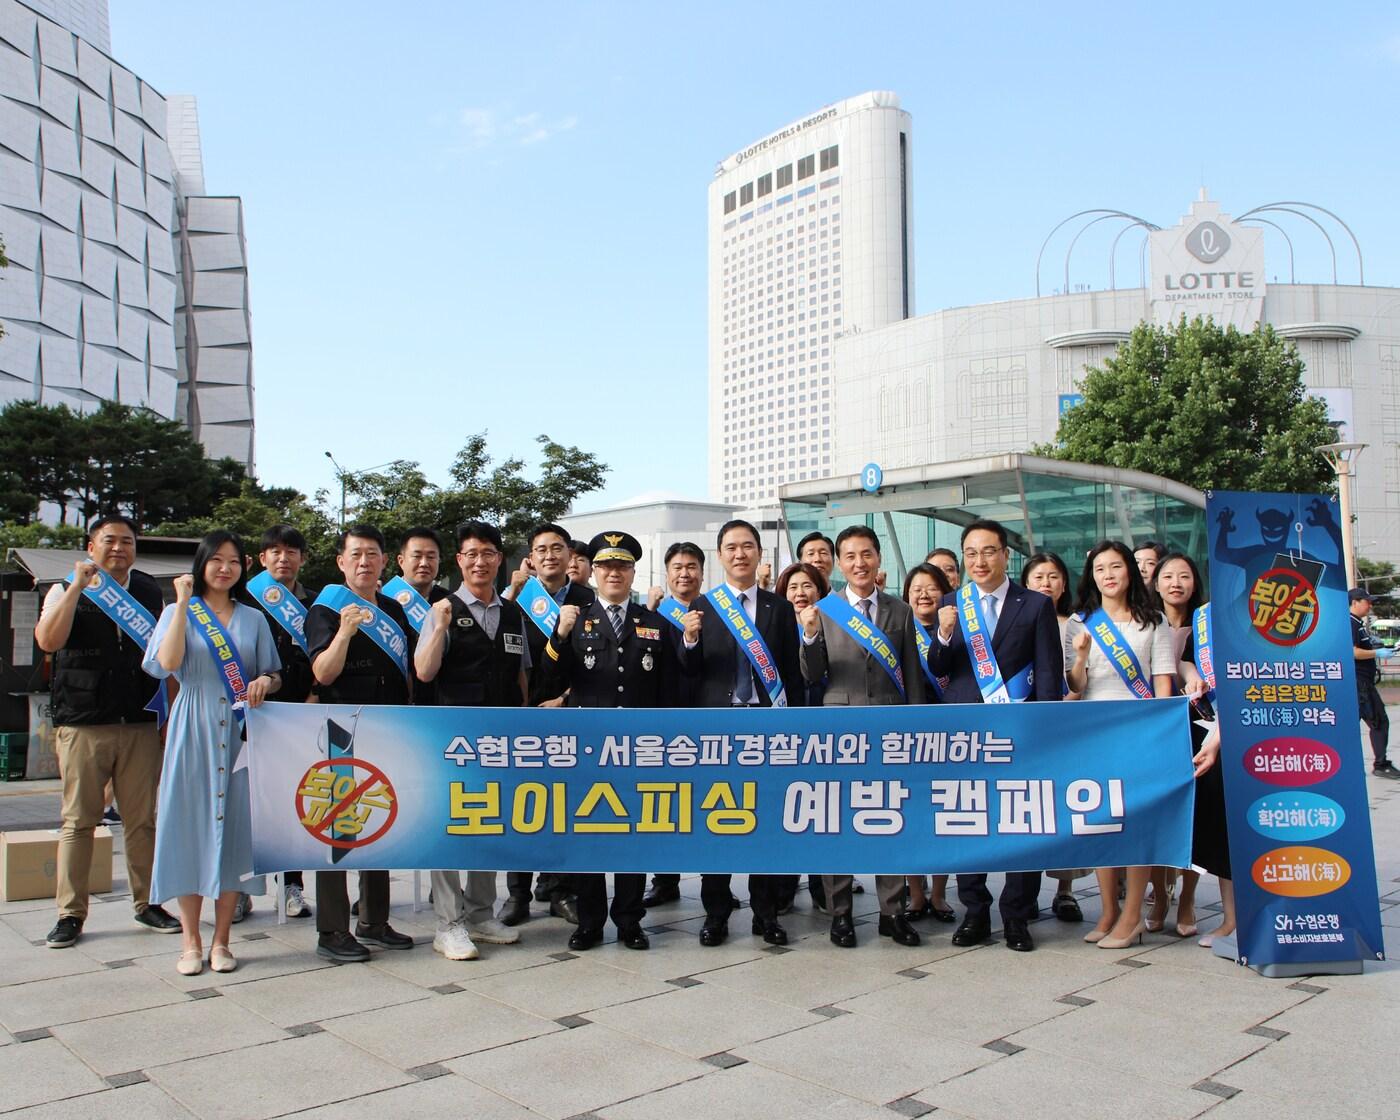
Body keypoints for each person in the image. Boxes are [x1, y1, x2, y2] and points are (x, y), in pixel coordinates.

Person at [544, 531, 696, 951]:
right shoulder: (576, 620)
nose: (614, 573)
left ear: (633, 572)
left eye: (622, 566)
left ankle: (630, 920)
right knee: (589, 834)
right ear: (593, 571)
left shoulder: (655, 623)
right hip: (589, 749)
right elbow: (549, 680)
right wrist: (559, 636)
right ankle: (590, 922)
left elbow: (670, 689)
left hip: (639, 749)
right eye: (606, 566)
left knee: (634, 835)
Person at [36, 515, 182, 948]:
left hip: (140, 720)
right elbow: (48, 641)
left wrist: (170, 714)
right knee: (79, 821)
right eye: (109, 541)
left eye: (127, 541)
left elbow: (165, 656)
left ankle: (147, 902)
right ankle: (70, 913)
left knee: (142, 821)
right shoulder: (65, 587)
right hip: (84, 721)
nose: (119, 548)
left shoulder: (148, 591)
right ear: (91, 546)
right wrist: (77, 588)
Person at [145, 532, 281, 975]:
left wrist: (265, 682)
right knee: (188, 827)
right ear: (202, 564)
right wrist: (182, 603)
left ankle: (222, 940)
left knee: (236, 831)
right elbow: (167, 664)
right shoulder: (176, 612)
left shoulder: (253, 618)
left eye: (234, 561)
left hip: (240, 731)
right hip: (192, 725)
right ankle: (191, 941)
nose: (225, 568)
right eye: (217, 560)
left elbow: (273, 671)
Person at [929, 518, 1064, 952]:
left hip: (1020, 730)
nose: (979, 561)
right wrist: (943, 633)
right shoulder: (953, 602)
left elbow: (1048, 671)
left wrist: (1046, 729)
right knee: (968, 820)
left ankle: (1017, 915)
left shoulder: (1035, 604)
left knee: (1022, 819)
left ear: (1006, 554)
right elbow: (939, 667)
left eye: (988, 551)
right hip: (965, 731)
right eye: (971, 553)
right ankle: (975, 911)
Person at [799, 526, 929, 948]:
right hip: (839, 727)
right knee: (838, 820)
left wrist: (915, 726)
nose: (860, 563)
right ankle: (840, 913)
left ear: (878, 558)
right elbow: (812, 674)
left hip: (891, 726)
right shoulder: (826, 610)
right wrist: (810, 634)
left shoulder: (900, 610)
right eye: (851, 556)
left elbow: (912, 673)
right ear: (839, 563)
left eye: (867, 554)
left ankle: (892, 912)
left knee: (890, 816)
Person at [682, 518, 804, 946]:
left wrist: (794, 726)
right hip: (719, 727)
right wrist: (690, 641)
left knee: (765, 822)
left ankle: (766, 914)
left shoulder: (778, 608)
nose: (740, 554)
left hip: (767, 725)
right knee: (717, 821)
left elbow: (791, 672)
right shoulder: (703, 605)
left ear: (759, 553)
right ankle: (716, 913)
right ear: (719, 555)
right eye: (731, 547)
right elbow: (689, 674)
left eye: (747, 546)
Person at [415, 521, 528, 960]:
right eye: (471, 554)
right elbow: (424, 671)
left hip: (502, 738)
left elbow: (521, 676)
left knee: (491, 822)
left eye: (488, 554)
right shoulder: (441, 609)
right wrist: (439, 628)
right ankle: (448, 923)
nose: (480, 562)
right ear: (460, 561)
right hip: (454, 739)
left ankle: (481, 912)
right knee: (449, 825)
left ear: (499, 560)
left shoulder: (513, 613)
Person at [306, 523, 417, 963]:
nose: (364, 562)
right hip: (341, 732)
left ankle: (373, 919)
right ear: (341, 562)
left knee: (379, 819)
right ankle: (332, 929)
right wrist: (345, 632)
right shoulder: (326, 609)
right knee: (338, 826)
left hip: (387, 729)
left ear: (385, 561)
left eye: (372, 554)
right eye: (355, 554)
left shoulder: (392, 609)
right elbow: (322, 673)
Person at [1065, 540, 1176, 949]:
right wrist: (1080, 657)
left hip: (1140, 732)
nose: (1108, 575)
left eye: (1115, 566)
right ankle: (1108, 910)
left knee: (1135, 821)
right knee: (1100, 821)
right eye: (1100, 569)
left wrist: (1161, 733)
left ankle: (1132, 917)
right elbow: (1074, 685)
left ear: (1130, 570)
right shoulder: (1081, 622)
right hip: (1094, 732)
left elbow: (1162, 679)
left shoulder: (1153, 620)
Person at [499, 522, 594, 926]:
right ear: (531, 558)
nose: (550, 556)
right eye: (542, 550)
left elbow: (596, 660)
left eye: (558, 548)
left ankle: (560, 890)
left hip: (569, 711)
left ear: (570, 556)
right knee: (520, 805)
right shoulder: (517, 599)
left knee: (565, 804)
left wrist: (566, 698)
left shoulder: (589, 599)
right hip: (523, 712)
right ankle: (518, 893)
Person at [1151, 552, 1226, 939]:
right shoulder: (1145, 620)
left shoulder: (1208, 622)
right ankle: (1160, 896)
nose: (1176, 583)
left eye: (1184, 575)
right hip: (1158, 729)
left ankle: (1188, 899)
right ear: (1156, 582)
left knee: (1197, 815)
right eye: (1168, 576)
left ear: (1195, 582)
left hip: (1202, 728)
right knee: (1161, 815)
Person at [247, 524, 317, 919]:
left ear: (302, 558)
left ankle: (292, 885)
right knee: (249, 803)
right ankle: (239, 887)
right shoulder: (245, 599)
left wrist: (315, 697)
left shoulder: (316, 604)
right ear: (262, 558)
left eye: (291, 551)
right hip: (251, 713)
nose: (283, 558)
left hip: (300, 714)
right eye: (275, 551)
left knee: (295, 801)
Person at [1022, 551, 1089, 923]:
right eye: (1038, 577)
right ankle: (1027, 891)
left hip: (1069, 727)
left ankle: (1065, 891)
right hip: (1030, 726)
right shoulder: (1018, 619)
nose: (1046, 583)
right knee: (1031, 808)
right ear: (1026, 583)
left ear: (1064, 583)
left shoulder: (1076, 624)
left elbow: (1079, 679)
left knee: (1065, 810)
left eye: (1053, 576)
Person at [640, 541, 707, 908]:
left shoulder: (718, 613)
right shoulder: (653, 616)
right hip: (664, 721)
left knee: (710, 803)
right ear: (666, 574)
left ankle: (716, 883)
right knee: (664, 804)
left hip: (708, 720)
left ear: (702, 572)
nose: (685, 573)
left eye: (692, 566)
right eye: (678, 567)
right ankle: (665, 880)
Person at [901, 562, 956, 924]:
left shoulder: (962, 628)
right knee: (910, 815)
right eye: (916, 589)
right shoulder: (897, 629)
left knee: (944, 815)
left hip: (951, 735)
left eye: (931, 588)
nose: (924, 595)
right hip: (909, 735)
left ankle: (939, 893)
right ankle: (916, 893)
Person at [777, 560, 831, 913]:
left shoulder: (835, 623)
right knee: (787, 811)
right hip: (787, 729)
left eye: (807, 586)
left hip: (825, 726)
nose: (800, 593)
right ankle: (783, 886)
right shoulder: (774, 627)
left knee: (822, 810)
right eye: (793, 587)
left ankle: (822, 886)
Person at [1352, 589, 1399, 779]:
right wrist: (1377, 653)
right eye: (1367, 601)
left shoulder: (1358, 624)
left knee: (1353, 724)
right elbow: (1353, 652)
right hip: (1360, 683)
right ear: (1355, 602)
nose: (1370, 605)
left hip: (1362, 681)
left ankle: (1344, 764)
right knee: (1378, 721)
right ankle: (1381, 764)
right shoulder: (1350, 623)